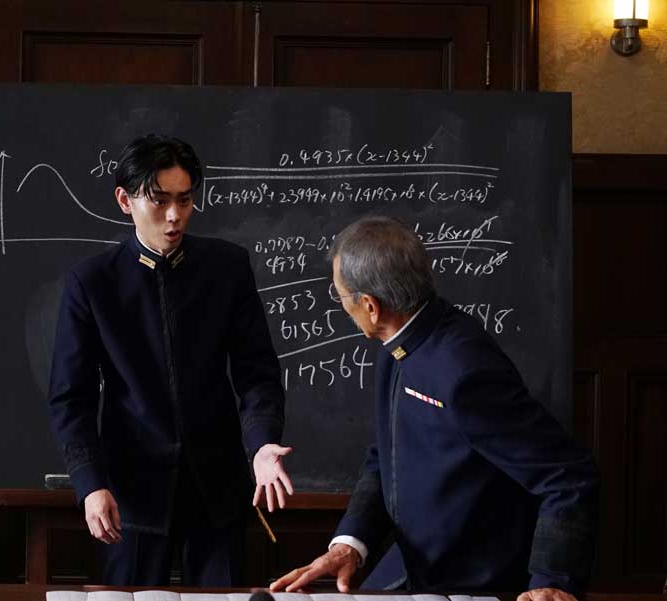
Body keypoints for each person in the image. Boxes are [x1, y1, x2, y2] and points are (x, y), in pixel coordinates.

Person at [270, 216, 598, 601]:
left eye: (340, 294)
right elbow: (384, 456)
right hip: (409, 568)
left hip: (470, 580)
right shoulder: (397, 344)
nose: (341, 303)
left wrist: (553, 580)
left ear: (371, 306)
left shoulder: (464, 371)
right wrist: (348, 545)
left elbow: (567, 475)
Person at [48, 134, 292, 586]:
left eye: (185, 199)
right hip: (129, 496)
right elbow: (71, 398)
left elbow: (257, 373)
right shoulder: (92, 282)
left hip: (217, 490)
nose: (175, 214)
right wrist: (90, 483)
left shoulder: (227, 268)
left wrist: (262, 445)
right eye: (159, 201)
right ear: (125, 201)